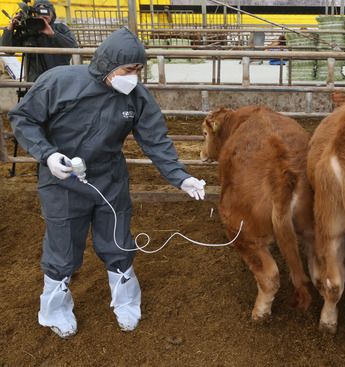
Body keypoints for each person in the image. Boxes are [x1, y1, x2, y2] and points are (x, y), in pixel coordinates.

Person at [9, 27, 207, 338]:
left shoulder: (136, 95)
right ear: (107, 64)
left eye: (139, 69)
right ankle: (54, 310)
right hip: (62, 178)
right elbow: (23, 118)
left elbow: (156, 139)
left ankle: (126, 303)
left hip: (109, 178)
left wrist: (181, 177)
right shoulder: (60, 82)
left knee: (117, 241)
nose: (134, 77)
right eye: (129, 69)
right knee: (63, 249)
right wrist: (47, 155)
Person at [1, 0, 77, 82]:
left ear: (53, 15)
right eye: (40, 15)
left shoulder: (61, 28)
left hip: (59, 78)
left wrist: (53, 34)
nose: (43, 19)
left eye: (46, 16)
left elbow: (73, 47)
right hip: (35, 82)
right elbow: (8, 50)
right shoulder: (28, 31)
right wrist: (10, 28)